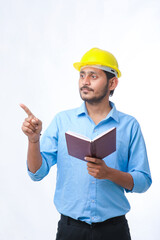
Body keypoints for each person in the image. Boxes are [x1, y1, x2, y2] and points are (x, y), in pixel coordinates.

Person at [20, 47, 152, 240]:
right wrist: (33, 141)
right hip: (70, 230)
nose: (85, 82)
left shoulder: (129, 126)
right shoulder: (62, 121)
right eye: (82, 75)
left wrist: (109, 173)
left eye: (93, 76)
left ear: (112, 82)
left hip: (114, 231)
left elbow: (143, 181)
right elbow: (37, 173)